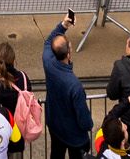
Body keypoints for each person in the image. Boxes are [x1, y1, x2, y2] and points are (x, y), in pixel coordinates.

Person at [41, 19, 92, 159]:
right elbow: (84, 119)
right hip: (74, 137)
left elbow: (48, 41)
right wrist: (89, 125)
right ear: (69, 54)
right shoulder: (74, 85)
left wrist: (63, 25)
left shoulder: (48, 62)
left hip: (55, 126)